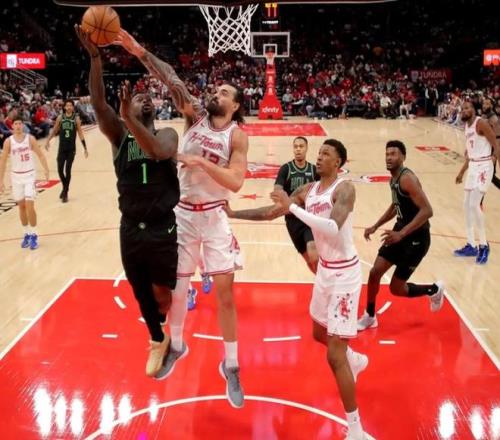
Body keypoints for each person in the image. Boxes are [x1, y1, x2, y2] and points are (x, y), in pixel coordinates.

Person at [114, 29, 248, 408]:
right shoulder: (194, 116)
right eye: (216, 90)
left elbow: (236, 181)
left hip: (215, 217)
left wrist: (200, 161)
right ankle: (176, 345)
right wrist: (139, 51)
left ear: (236, 105)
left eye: (224, 92)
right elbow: (169, 76)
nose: (216, 94)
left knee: (225, 296)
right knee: (177, 289)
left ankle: (231, 365)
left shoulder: (236, 136)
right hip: (184, 215)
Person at [237, 139, 368, 439]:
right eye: (318, 153)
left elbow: (332, 227)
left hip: (345, 275)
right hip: (325, 271)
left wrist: (293, 208)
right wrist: (233, 213)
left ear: (338, 162)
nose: (319, 158)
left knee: (334, 356)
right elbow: (272, 212)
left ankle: (356, 429)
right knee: (318, 333)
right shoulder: (309, 190)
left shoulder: (345, 189)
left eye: (326, 154)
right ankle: (356, 359)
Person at [75, 25, 179, 378]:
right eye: (137, 98)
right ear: (127, 107)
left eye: (148, 98)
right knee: (139, 290)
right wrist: (95, 58)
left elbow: (157, 151)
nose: (144, 99)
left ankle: (164, 324)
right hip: (131, 226)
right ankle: (157, 339)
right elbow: (97, 102)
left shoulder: (167, 134)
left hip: (162, 227)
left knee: (162, 297)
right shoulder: (119, 135)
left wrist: (130, 119)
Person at [358, 140, 445, 331]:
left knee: (396, 289)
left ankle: (434, 290)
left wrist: (401, 234)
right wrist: (375, 225)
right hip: (400, 231)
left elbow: (427, 211)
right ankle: (370, 316)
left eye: (394, 154)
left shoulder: (407, 179)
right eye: (387, 154)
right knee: (374, 273)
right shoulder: (394, 179)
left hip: (417, 238)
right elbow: (395, 205)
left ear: (403, 157)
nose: (389, 157)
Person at [227, 136, 319, 273]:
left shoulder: (313, 170)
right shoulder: (286, 169)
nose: (298, 149)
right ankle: (321, 279)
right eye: (296, 147)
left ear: (306, 148)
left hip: (308, 218)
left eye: (301, 146)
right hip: (292, 220)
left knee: (313, 250)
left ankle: (326, 282)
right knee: (309, 261)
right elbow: (277, 190)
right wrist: (280, 195)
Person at [454, 102, 499, 264]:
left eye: (467, 108)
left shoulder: (481, 123)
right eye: (462, 108)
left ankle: (484, 245)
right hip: (473, 166)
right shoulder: (467, 126)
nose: (464, 110)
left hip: (484, 166)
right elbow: (470, 155)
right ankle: (471, 244)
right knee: (466, 205)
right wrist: (461, 172)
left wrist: (494, 160)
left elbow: (496, 144)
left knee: (474, 205)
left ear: (474, 110)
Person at [0, 117, 49, 250]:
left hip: (29, 175)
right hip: (16, 177)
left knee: (29, 206)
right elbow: (3, 161)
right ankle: (26, 233)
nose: (18, 126)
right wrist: (1, 180)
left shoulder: (30, 139)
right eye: (15, 124)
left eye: (20, 123)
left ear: (23, 125)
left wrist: (46, 169)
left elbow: (40, 155)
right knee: (21, 207)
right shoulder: (8, 142)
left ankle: (34, 234)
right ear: (12, 126)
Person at [45, 99, 89, 202]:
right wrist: (48, 140)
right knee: (60, 170)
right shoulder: (60, 117)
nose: (69, 107)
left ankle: (65, 193)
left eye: (71, 105)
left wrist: (85, 148)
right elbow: (55, 130)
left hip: (71, 149)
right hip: (62, 148)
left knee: (68, 170)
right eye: (67, 105)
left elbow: (80, 133)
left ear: (73, 107)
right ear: (64, 107)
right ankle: (65, 188)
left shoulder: (76, 119)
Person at [481, 97, 500, 189]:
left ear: (492, 106)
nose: (484, 106)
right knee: (488, 175)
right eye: (484, 103)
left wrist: (495, 155)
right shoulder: (484, 116)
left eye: (487, 104)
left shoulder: (494, 119)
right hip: (486, 148)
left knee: (487, 175)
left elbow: (498, 138)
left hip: (493, 149)